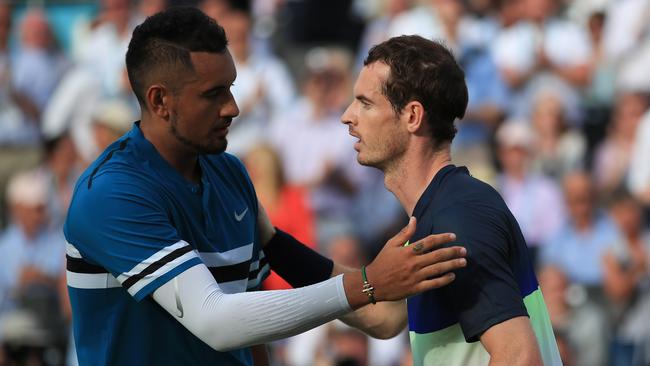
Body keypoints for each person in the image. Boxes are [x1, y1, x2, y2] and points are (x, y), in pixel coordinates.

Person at [63, 7, 466, 366]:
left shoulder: (230, 174)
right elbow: (217, 321)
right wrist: (366, 285)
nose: (232, 108)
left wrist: (398, 282)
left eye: (232, 88)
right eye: (213, 94)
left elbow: (259, 317)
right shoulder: (111, 194)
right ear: (159, 100)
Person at [337, 35, 561, 365]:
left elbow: (519, 357)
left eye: (365, 103)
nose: (347, 116)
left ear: (412, 116)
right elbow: (383, 317)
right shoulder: (441, 210)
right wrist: (273, 244)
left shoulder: (456, 219)